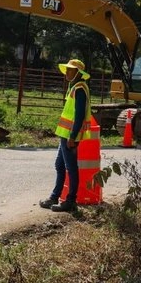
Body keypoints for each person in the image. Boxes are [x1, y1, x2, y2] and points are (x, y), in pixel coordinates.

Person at [39, 58, 93, 212]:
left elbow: (79, 115)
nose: (67, 72)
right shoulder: (74, 86)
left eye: (71, 70)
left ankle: (70, 201)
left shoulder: (80, 89)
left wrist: (73, 136)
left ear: (78, 73)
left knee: (70, 167)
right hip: (65, 134)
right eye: (67, 69)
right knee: (60, 165)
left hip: (70, 136)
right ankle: (55, 197)